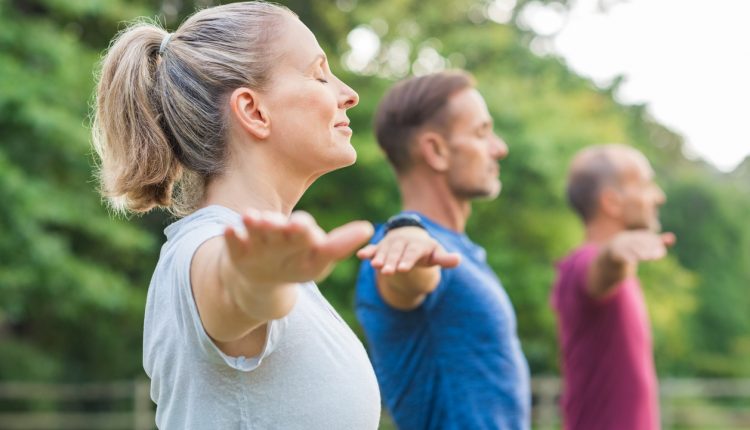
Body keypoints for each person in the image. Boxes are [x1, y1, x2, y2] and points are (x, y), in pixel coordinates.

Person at [91, 2, 381, 428]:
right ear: (253, 111)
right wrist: (258, 279)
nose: (348, 94)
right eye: (319, 74)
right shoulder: (204, 250)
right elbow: (231, 289)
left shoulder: (270, 264)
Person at [355, 71, 531, 430]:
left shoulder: (457, 250)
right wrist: (409, 243)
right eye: (482, 133)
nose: (499, 148)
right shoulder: (400, 247)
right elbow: (408, 275)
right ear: (436, 150)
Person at [551, 144, 676, 430]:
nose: (658, 196)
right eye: (645, 185)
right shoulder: (581, 264)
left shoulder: (624, 277)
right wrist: (613, 252)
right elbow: (600, 270)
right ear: (612, 202)